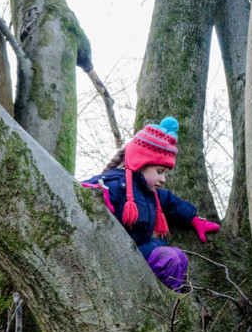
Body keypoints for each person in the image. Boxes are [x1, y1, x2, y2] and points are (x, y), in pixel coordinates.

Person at [81, 117, 219, 290]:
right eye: (159, 172)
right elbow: (87, 191)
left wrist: (195, 220)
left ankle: (170, 298)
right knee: (169, 259)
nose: (163, 179)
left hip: (138, 250)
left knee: (179, 258)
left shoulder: (151, 194)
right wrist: (100, 200)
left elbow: (172, 203)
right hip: (117, 256)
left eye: (165, 173)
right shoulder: (116, 184)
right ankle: (160, 302)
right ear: (140, 163)